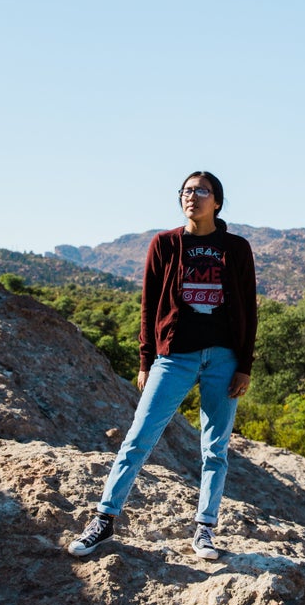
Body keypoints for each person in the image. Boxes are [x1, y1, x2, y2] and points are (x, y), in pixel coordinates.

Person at [67, 171, 257, 560]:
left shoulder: (236, 248)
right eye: (187, 191)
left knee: (215, 448)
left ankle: (204, 529)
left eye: (202, 191)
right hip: (175, 357)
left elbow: (249, 309)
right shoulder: (165, 243)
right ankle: (103, 520)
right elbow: (148, 305)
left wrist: (245, 365)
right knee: (138, 438)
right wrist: (145, 359)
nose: (193, 197)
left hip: (223, 358)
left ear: (217, 202)